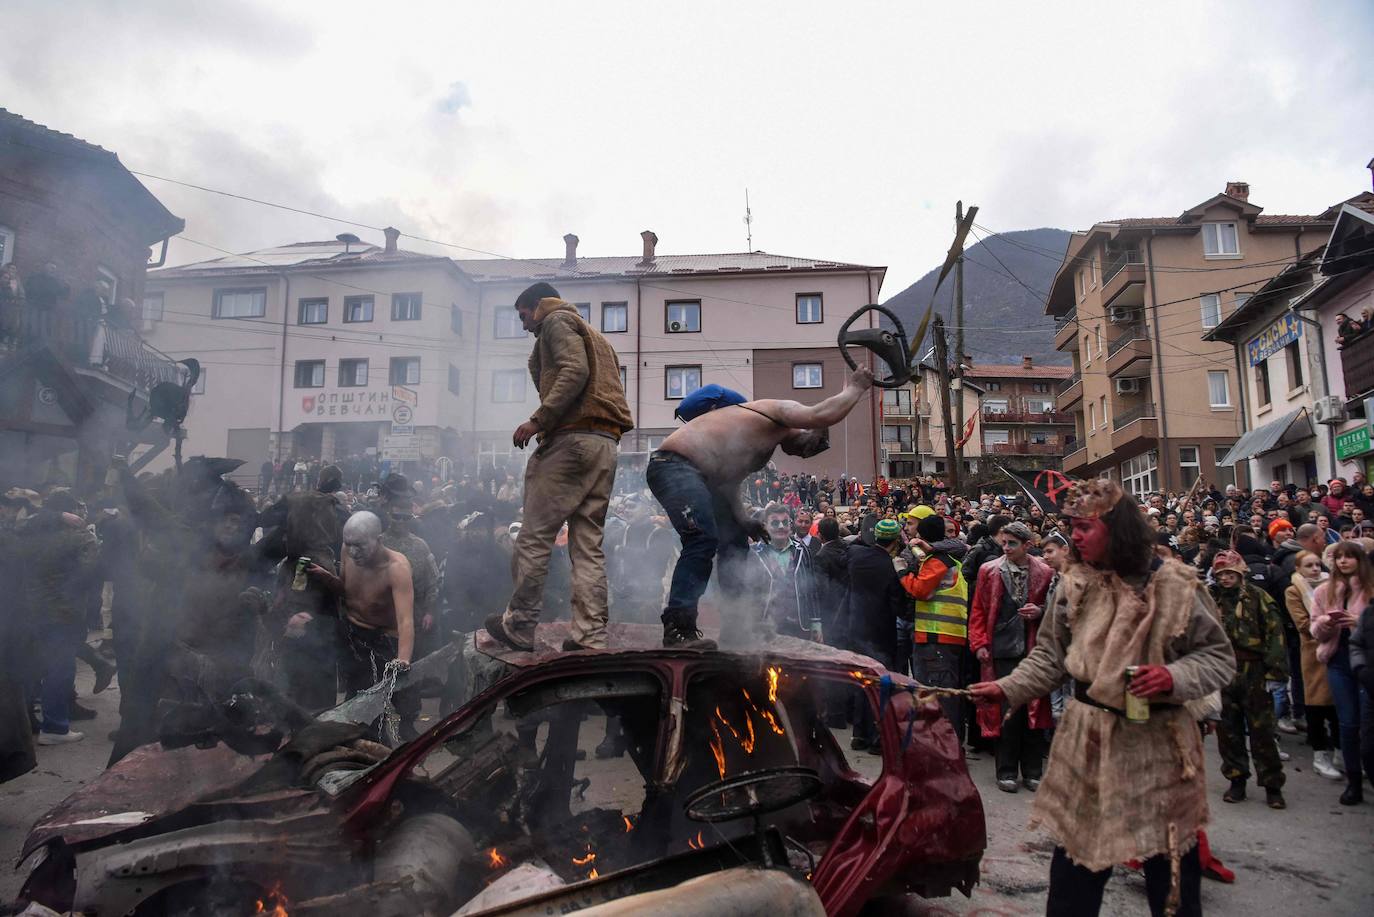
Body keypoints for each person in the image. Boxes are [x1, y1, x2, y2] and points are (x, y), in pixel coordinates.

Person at [969, 479, 1236, 917]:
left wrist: (1172, 677)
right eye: (1070, 526)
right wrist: (1006, 688)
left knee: (1170, 880)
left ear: (1118, 529)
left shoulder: (1176, 584)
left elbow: (1217, 658)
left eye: (1084, 527)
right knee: (1074, 879)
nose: (1073, 536)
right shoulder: (1074, 585)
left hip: (1159, 745)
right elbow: (1050, 658)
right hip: (1087, 743)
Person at [646, 365, 874, 649]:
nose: (804, 449)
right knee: (702, 540)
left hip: (697, 475)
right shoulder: (773, 411)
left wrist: (743, 520)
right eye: (808, 441)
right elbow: (821, 414)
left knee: (735, 545)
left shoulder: (752, 442)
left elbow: (727, 486)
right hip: (674, 466)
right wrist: (856, 387)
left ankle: (738, 624)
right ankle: (678, 628)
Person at [485, 282, 634, 653]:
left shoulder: (555, 322)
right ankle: (590, 635)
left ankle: (519, 625)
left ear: (538, 306)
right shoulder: (597, 336)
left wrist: (538, 420)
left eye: (523, 315)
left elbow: (573, 371)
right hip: (605, 444)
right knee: (587, 545)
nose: (523, 326)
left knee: (534, 537)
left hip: (570, 440)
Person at [968, 521, 1053, 793]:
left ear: (1027, 545)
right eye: (1004, 543)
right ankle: (1006, 770)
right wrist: (979, 643)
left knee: (1035, 712)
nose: (1006, 548)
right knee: (1006, 713)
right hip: (1002, 650)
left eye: (1012, 544)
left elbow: (1056, 606)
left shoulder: (1045, 571)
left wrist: (1040, 611)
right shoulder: (989, 570)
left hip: (1034, 650)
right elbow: (978, 610)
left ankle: (1032, 771)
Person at [309, 512, 415, 721]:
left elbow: (406, 620)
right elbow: (349, 592)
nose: (353, 552)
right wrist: (327, 578)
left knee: (377, 706)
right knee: (354, 698)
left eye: (360, 545)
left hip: (381, 641)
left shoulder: (397, 568)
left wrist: (403, 659)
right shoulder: (347, 551)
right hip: (350, 633)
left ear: (378, 540)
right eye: (349, 544)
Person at [1209, 550, 1288, 808]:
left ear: (1240, 573)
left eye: (1230, 574)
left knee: (1262, 730)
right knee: (1228, 731)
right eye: (1221, 575)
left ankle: (1272, 784)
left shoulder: (1257, 597)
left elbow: (1275, 633)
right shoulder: (1212, 599)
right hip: (1224, 670)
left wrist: (1275, 672)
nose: (1226, 579)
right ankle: (1236, 779)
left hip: (1253, 669)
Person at [20, 491, 100, 745]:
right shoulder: (80, 536)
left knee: (33, 666)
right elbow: (92, 571)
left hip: (32, 610)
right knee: (60, 668)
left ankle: (23, 722)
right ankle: (54, 727)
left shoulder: (30, 535)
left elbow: (22, 523)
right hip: (65, 612)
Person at [1310, 540, 1374, 804]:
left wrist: (1360, 623)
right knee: (1347, 723)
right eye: (1338, 557)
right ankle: (1353, 780)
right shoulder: (1325, 591)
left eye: (1349, 557)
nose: (1343, 562)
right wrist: (1328, 621)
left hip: (1369, 665)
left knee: (1368, 728)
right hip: (1338, 660)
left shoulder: (1370, 591)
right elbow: (1314, 629)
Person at [898, 512, 969, 737]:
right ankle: (947, 742)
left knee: (936, 694)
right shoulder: (952, 559)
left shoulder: (937, 561)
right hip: (949, 635)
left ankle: (944, 744)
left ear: (923, 535)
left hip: (935, 636)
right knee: (944, 693)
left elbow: (920, 590)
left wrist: (902, 572)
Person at [842, 518, 908, 750]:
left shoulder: (856, 555)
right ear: (895, 541)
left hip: (856, 627)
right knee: (880, 684)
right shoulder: (891, 566)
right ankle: (877, 738)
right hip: (881, 633)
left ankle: (859, 734)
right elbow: (899, 606)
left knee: (861, 681)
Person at [1284, 551, 1343, 780]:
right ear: (1298, 568)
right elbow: (1302, 623)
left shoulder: (1335, 586)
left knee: (1338, 707)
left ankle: (1340, 752)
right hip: (1313, 651)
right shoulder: (1294, 590)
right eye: (1309, 565)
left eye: (1318, 564)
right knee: (1317, 705)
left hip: (1337, 650)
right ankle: (1321, 756)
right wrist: (1331, 621)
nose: (1315, 569)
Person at [749, 503, 823, 640]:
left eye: (785, 522)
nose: (781, 527)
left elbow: (811, 589)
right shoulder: (754, 553)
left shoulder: (802, 550)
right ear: (765, 525)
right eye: (775, 523)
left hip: (799, 625)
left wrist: (816, 623)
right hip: (765, 626)